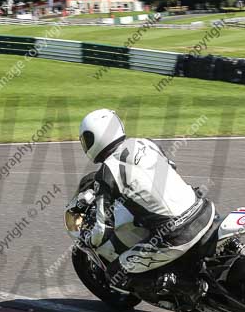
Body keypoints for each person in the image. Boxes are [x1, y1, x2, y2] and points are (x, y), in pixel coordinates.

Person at [78, 109, 215, 292]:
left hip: (175, 235)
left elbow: (102, 230)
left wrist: (87, 238)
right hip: (202, 208)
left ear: (96, 138)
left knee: (115, 274)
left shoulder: (106, 174)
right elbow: (170, 168)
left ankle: (185, 287)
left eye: (87, 139)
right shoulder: (143, 142)